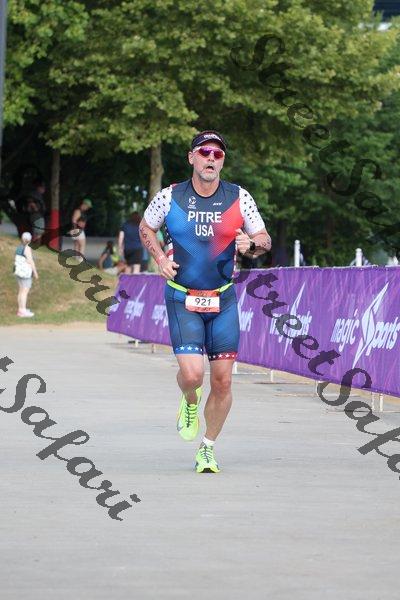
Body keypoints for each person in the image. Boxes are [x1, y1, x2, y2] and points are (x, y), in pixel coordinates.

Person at [139, 130, 271, 473]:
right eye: (205, 152)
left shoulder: (239, 197)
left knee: (223, 380)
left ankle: (208, 448)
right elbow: (145, 228)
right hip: (182, 298)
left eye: (218, 154)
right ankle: (189, 400)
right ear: (191, 158)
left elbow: (264, 239)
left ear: (222, 161)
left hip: (222, 299)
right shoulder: (170, 196)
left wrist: (252, 246)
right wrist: (160, 259)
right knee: (193, 375)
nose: (211, 158)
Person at [14, 232, 39, 318]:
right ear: (30, 239)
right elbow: (30, 261)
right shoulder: (27, 248)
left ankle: (20, 309)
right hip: (25, 273)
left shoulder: (19, 247)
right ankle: (23, 311)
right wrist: (35, 273)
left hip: (19, 272)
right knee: (24, 292)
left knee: (21, 291)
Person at [26, 179, 46, 243]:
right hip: (37, 215)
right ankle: (34, 244)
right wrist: (36, 209)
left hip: (36, 215)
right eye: (43, 187)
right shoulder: (35, 194)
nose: (44, 189)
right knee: (38, 232)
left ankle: (34, 244)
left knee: (37, 231)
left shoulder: (36, 194)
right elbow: (30, 203)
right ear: (39, 187)